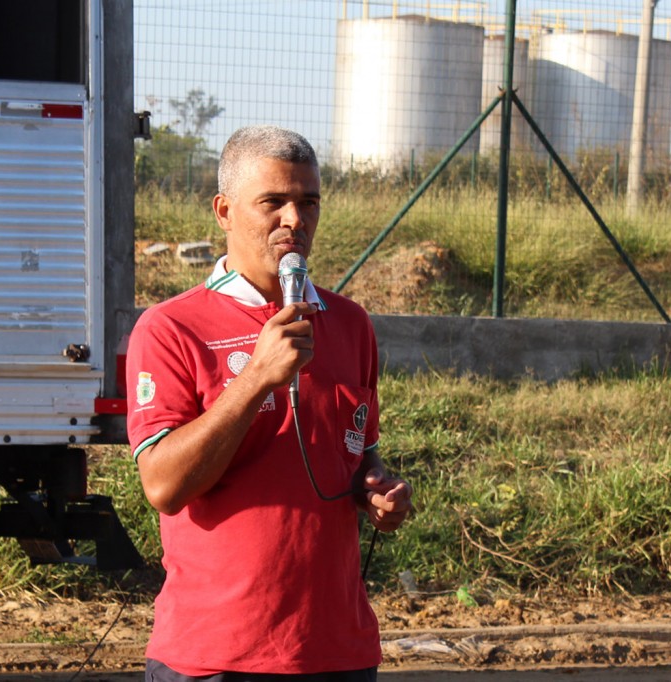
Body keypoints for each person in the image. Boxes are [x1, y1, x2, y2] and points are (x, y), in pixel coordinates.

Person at [126, 125, 413, 681]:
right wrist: (257, 376)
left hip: (337, 652)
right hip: (216, 656)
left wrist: (380, 494)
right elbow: (163, 485)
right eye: (273, 202)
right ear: (225, 211)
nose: (294, 220)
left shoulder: (349, 324)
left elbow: (361, 457)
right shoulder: (170, 328)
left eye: (308, 202)